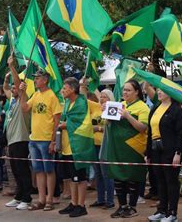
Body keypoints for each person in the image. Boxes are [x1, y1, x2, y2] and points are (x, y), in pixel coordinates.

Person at [101, 79, 150, 218]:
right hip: (116, 148)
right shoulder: (119, 105)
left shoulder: (142, 107)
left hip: (133, 148)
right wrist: (105, 111)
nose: (125, 92)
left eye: (128, 90)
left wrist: (128, 116)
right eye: (124, 90)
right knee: (118, 176)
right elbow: (108, 123)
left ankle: (132, 207)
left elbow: (143, 128)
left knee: (132, 177)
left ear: (137, 92)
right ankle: (122, 206)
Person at [19, 69, 62, 211]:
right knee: (38, 170)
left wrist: (53, 141)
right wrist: (22, 93)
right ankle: (41, 198)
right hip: (34, 139)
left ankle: (50, 198)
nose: (35, 80)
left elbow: (57, 120)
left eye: (37, 78)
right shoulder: (36, 94)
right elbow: (24, 108)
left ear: (45, 80)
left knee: (49, 170)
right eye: (35, 78)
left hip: (46, 139)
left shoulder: (52, 96)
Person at [57, 77, 100, 218]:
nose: (62, 90)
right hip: (67, 145)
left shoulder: (82, 103)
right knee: (71, 177)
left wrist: (65, 125)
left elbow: (82, 122)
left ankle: (81, 205)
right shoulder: (67, 102)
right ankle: (73, 203)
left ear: (73, 89)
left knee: (80, 178)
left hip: (79, 145)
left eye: (65, 88)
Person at [146, 89, 182, 222]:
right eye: (158, 90)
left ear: (170, 92)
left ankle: (172, 213)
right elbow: (150, 132)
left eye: (162, 90)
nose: (159, 92)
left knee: (171, 182)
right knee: (160, 181)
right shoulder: (155, 108)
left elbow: (181, 133)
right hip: (155, 149)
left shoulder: (177, 110)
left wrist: (178, 153)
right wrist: (148, 153)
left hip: (170, 151)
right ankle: (162, 210)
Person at [4, 58, 32, 210]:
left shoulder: (23, 98)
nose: (12, 90)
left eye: (15, 88)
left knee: (22, 170)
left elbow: (16, 84)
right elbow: (6, 88)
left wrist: (11, 66)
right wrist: (6, 79)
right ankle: (19, 195)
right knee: (15, 170)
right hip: (11, 140)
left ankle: (27, 198)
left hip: (21, 139)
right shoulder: (12, 101)